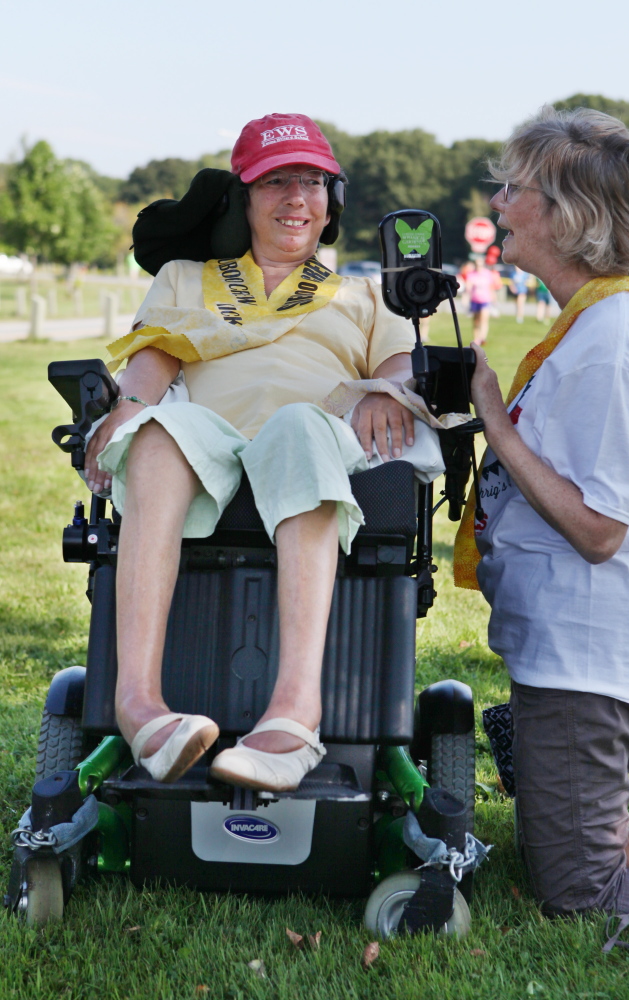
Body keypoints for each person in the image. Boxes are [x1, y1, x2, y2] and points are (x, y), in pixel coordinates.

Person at [83, 114, 430, 793]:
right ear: (244, 198)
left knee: (299, 424)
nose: (295, 198)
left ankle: (294, 715)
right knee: (155, 433)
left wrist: (391, 389)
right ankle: (140, 707)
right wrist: (126, 407)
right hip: (208, 440)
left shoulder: (364, 294)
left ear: (332, 203)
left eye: (311, 182)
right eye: (275, 182)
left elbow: (398, 367)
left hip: (314, 437)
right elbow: (151, 360)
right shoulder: (187, 277)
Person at [454, 105, 629, 926]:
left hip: (592, 653)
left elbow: (598, 529)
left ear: (570, 216)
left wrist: (497, 425)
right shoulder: (606, 320)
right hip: (580, 643)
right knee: (561, 848)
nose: (500, 205)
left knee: (579, 891)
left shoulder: (613, 334)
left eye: (516, 189)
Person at [466, 256, 502, 345]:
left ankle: (482, 337)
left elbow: (491, 288)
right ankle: (476, 338)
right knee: (476, 321)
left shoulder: (487, 274)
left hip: (485, 300)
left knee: (484, 319)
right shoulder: (471, 274)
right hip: (475, 300)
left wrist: (495, 301)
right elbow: (468, 287)